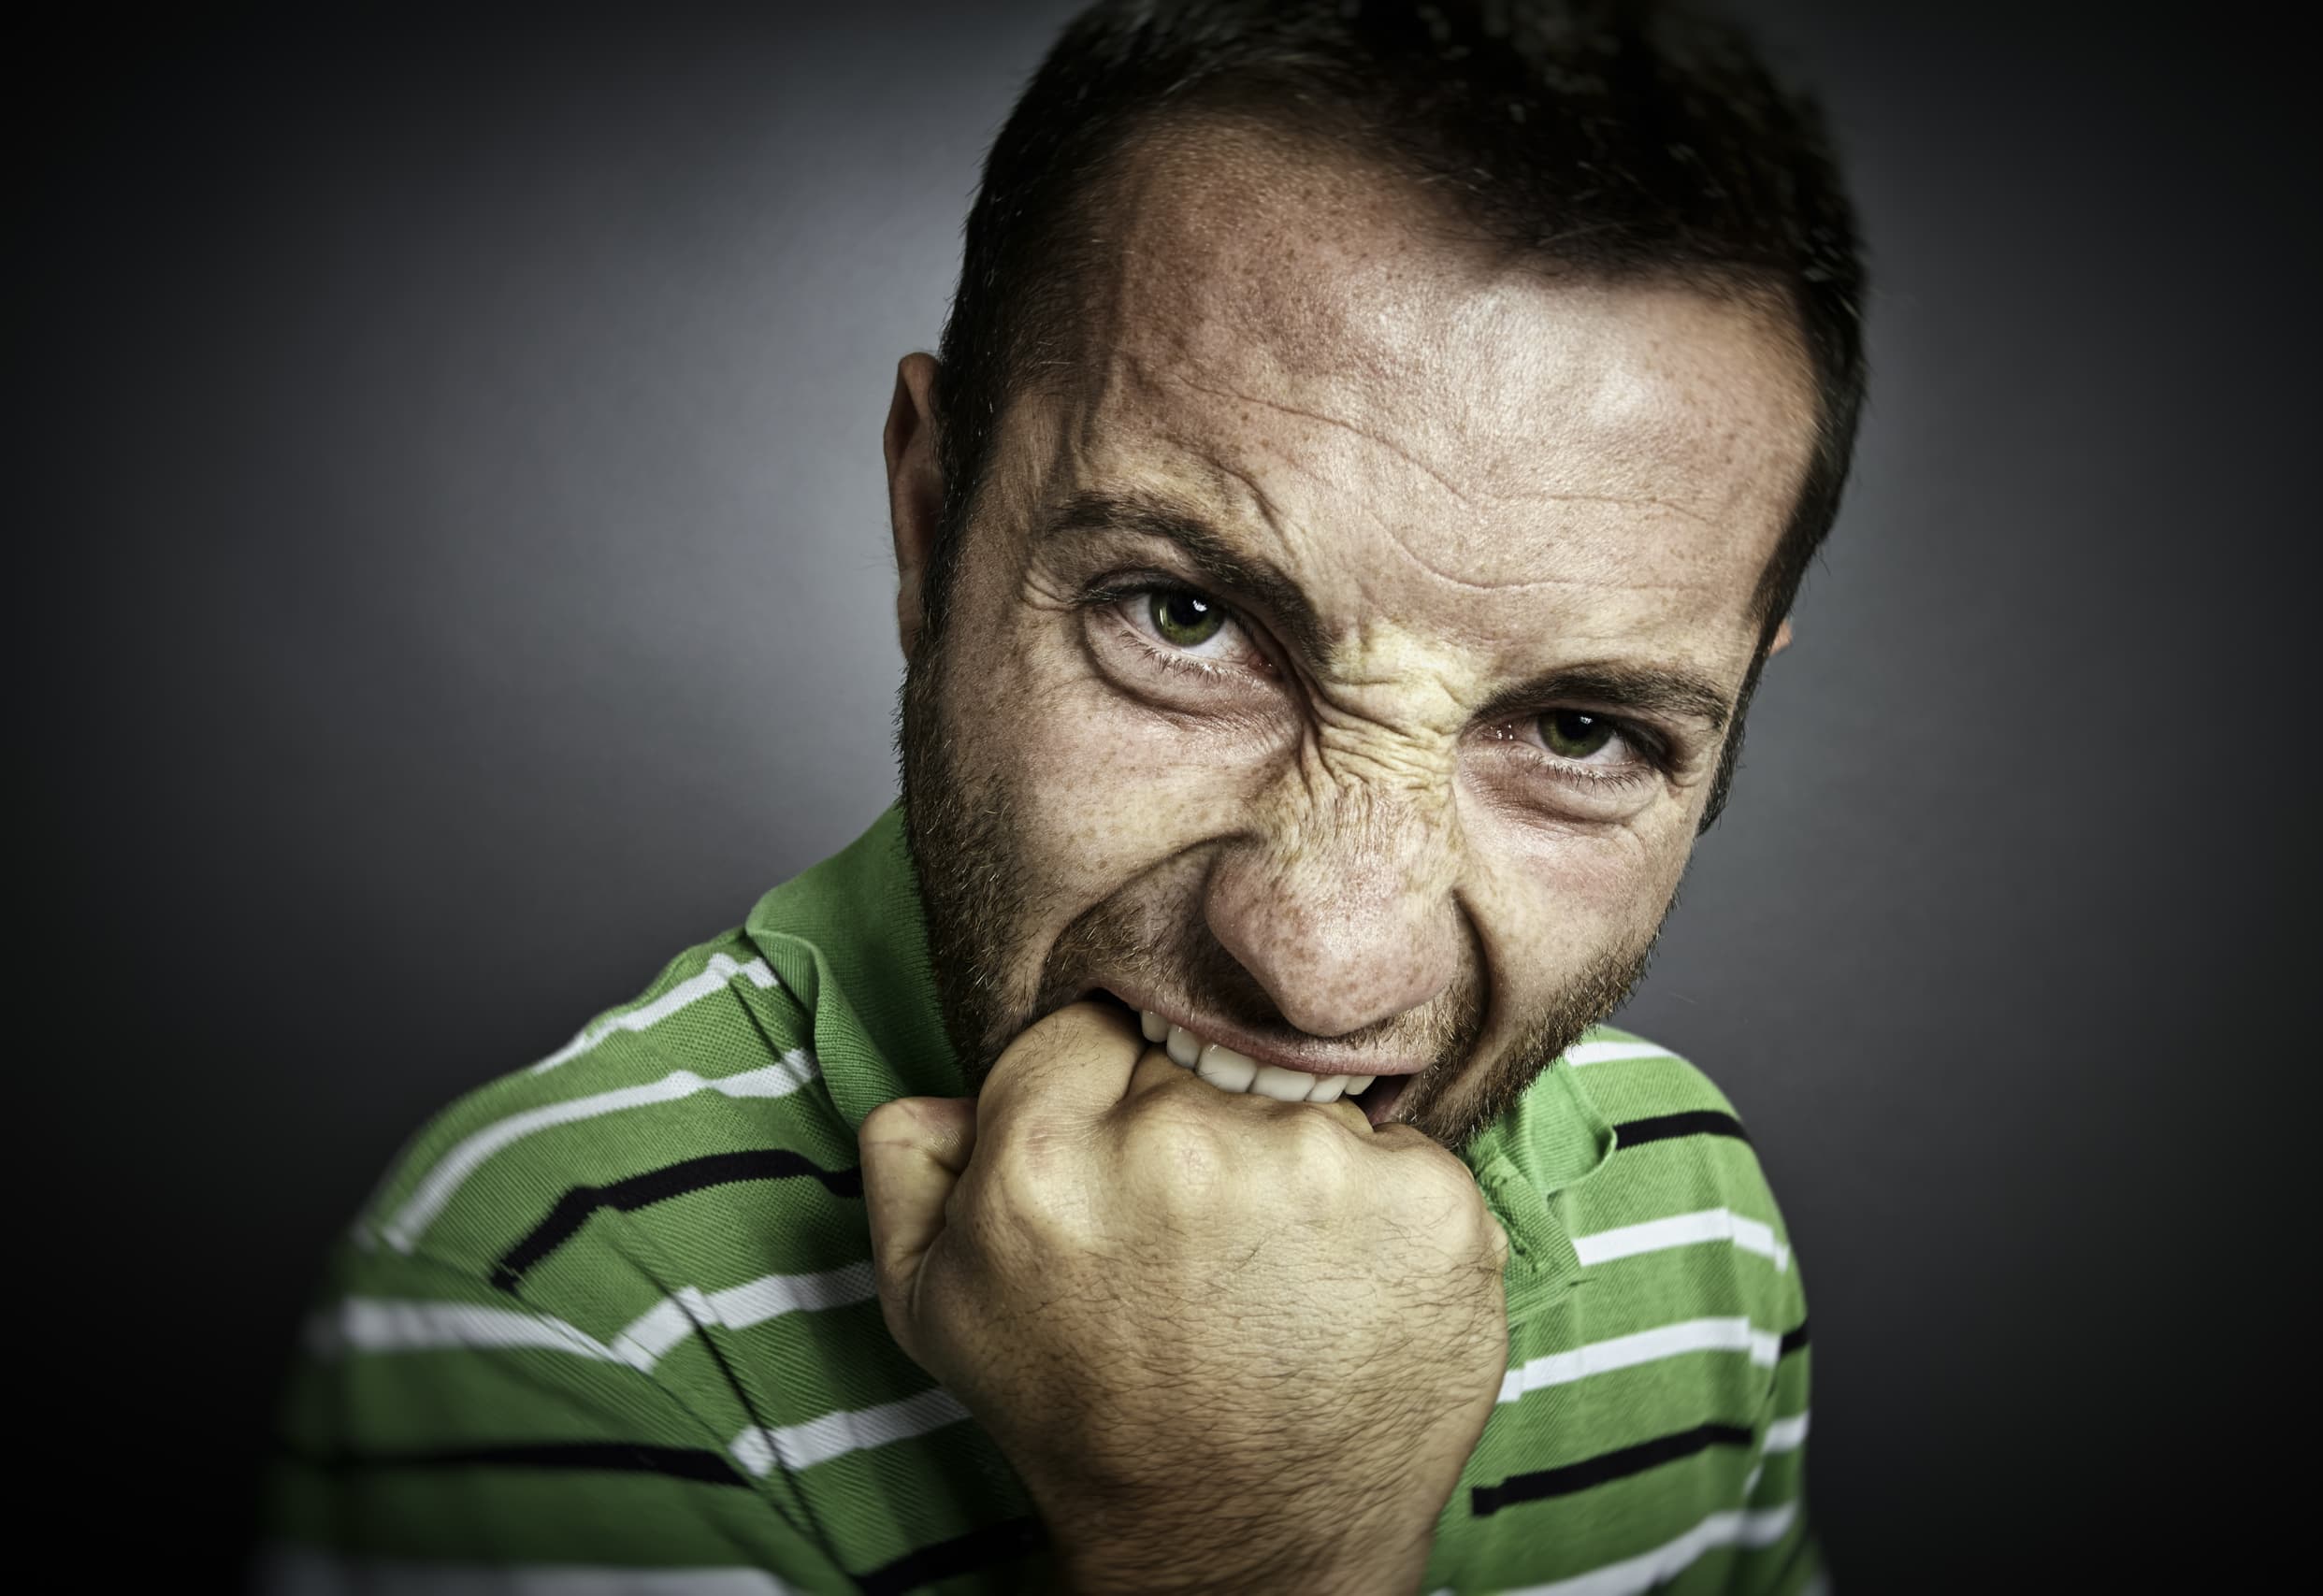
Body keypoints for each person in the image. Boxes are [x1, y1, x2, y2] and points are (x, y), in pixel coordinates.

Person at [256, 1, 1865, 1590]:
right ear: (931, 518)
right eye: (1188, 619)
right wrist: (1253, 1546)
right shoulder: (549, 1304)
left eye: (1583, 731)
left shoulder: (1694, 1190)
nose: (1323, 961)